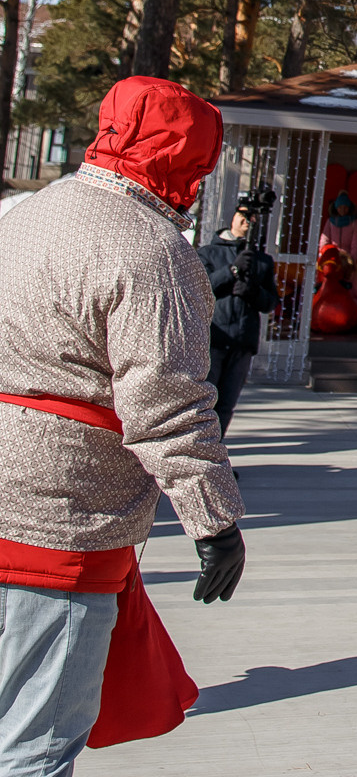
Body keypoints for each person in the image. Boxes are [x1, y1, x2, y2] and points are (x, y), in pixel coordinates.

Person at [0, 76, 244, 771]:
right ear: (183, 160)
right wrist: (215, 521)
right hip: (62, 519)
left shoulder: (21, 215)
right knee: (34, 743)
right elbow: (167, 405)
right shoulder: (152, 249)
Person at [195, 190, 279, 439]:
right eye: (243, 215)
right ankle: (200, 452)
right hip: (214, 339)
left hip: (243, 341)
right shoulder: (209, 252)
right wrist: (232, 270)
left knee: (226, 405)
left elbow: (270, 302)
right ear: (231, 217)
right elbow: (203, 287)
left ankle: (216, 454)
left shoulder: (262, 260)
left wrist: (252, 291)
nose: (247, 221)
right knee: (204, 403)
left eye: (252, 217)